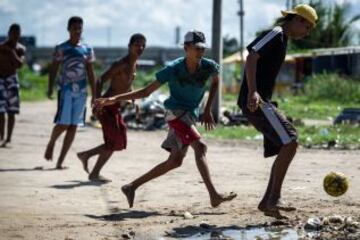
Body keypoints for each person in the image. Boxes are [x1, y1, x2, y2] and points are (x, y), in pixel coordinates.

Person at [94, 30, 237, 208]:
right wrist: (113, 99)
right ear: (186, 48)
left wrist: (207, 110)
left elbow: (215, 82)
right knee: (200, 147)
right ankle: (214, 195)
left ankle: (131, 186)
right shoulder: (173, 69)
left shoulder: (209, 66)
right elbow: (146, 91)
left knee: (175, 161)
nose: (200, 52)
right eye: (197, 48)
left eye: (202, 48)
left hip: (190, 115)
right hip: (175, 113)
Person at [237, 4, 318, 218]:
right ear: (298, 20)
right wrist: (253, 92)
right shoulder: (276, 33)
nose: (307, 32)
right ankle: (274, 198)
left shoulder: (283, 39)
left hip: (263, 101)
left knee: (287, 143)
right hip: (257, 100)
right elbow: (252, 56)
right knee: (290, 141)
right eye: (307, 27)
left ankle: (268, 202)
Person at [77, 33, 146, 182]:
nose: (140, 48)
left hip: (116, 107)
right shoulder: (121, 63)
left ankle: (87, 158)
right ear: (129, 46)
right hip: (106, 107)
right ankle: (91, 167)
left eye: (143, 45)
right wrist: (96, 101)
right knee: (114, 142)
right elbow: (100, 80)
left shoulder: (135, 65)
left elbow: (127, 85)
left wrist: (133, 100)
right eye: (137, 45)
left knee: (119, 141)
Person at [44, 16, 96, 169]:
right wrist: (50, 87)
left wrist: (94, 94)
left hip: (81, 93)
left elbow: (91, 73)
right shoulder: (61, 48)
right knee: (63, 123)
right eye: (74, 28)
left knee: (74, 126)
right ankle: (51, 143)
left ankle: (60, 161)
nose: (77, 31)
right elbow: (53, 68)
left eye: (80, 28)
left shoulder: (87, 49)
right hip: (66, 91)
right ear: (69, 29)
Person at [0, 23, 26, 147]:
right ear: (8, 34)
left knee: (12, 111)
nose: (15, 36)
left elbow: (20, 65)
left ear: (20, 35)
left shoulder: (21, 49)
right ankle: (1, 137)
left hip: (12, 80)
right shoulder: (1, 47)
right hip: (0, 80)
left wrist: (11, 53)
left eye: (17, 34)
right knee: (0, 111)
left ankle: (8, 139)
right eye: (13, 33)